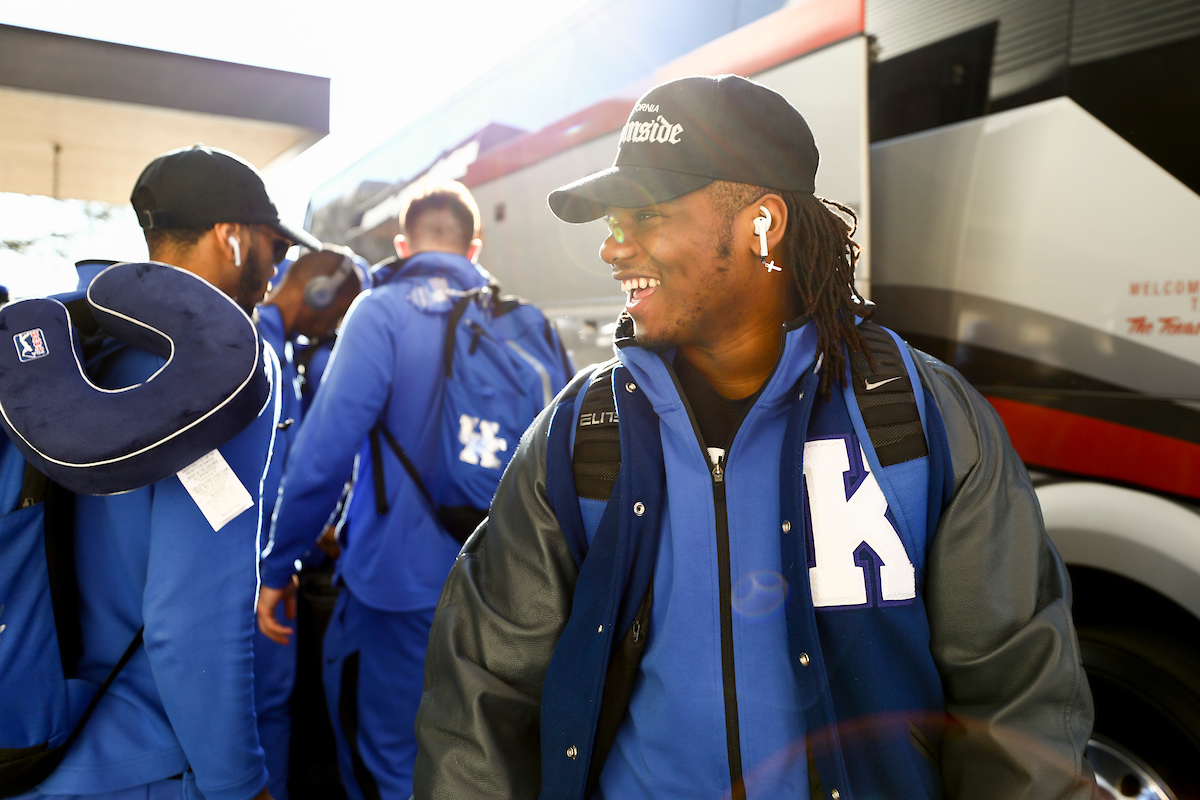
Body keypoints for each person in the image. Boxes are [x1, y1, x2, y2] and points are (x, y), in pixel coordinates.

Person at [413, 75, 1099, 799]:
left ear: (763, 226)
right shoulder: (578, 434)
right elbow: (480, 701)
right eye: (612, 224)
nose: (613, 250)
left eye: (645, 215)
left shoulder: (922, 415)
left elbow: (1017, 702)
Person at [15, 144, 319, 800]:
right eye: (275, 245)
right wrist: (241, 785)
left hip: (34, 742)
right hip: (140, 763)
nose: (279, 266)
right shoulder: (222, 376)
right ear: (232, 238)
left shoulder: (58, 339)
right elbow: (194, 619)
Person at [256, 182, 520, 799]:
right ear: (473, 246)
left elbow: (322, 457)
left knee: (388, 758)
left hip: (392, 589)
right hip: (499, 589)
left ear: (402, 246)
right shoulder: (516, 321)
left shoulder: (379, 312)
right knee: (476, 758)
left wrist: (278, 566)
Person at [253, 246, 365, 800]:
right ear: (320, 292)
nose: (335, 326)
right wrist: (281, 558)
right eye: (338, 311)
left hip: (268, 556)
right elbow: (267, 477)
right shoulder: (260, 351)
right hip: (256, 572)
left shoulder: (276, 347)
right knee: (265, 709)